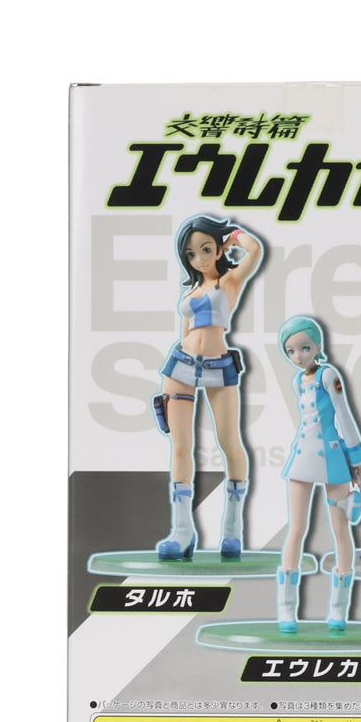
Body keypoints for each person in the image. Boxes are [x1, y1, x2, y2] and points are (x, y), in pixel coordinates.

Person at [155, 215, 263, 560]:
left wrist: (235, 236)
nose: (199, 259)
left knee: (229, 441)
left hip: (219, 367)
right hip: (181, 365)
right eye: (191, 254)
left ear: (217, 249)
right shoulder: (190, 292)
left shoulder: (229, 282)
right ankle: (182, 531)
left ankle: (232, 529)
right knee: (180, 446)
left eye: (205, 249)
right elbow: (185, 332)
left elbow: (255, 251)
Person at [276, 316, 361, 634]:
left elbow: (344, 415)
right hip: (302, 458)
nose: (298, 356)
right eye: (291, 351)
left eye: (304, 348)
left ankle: (338, 609)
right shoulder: (297, 381)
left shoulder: (329, 374)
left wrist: (357, 458)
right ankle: (286, 608)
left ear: (318, 346)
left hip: (332, 459)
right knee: (296, 529)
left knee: (340, 529)